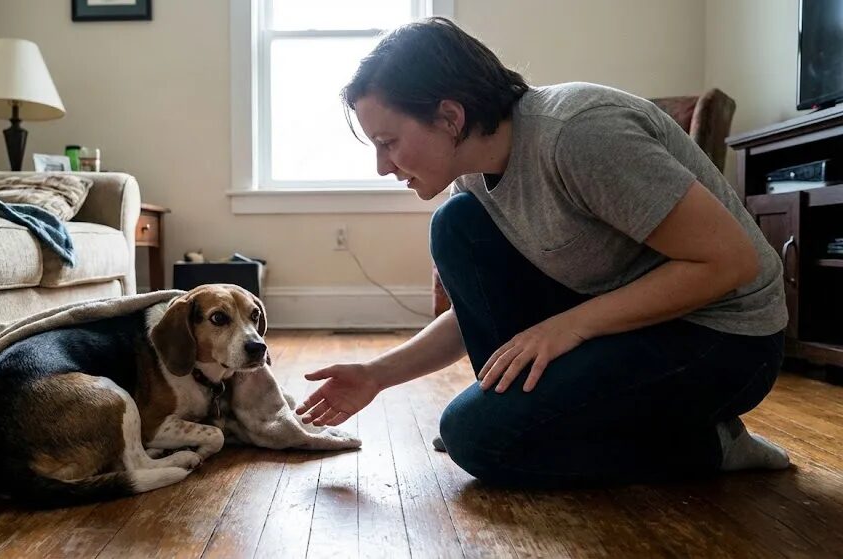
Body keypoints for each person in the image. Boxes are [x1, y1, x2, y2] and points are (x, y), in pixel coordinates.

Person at [293, 17, 791, 488]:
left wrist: (569, 325)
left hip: (727, 340)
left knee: (479, 442)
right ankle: (514, 417)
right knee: (456, 225)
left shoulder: (579, 134)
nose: (383, 166)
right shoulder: (471, 177)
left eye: (388, 141)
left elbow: (730, 262)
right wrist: (377, 376)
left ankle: (713, 446)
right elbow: (475, 314)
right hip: (626, 322)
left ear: (449, 116)